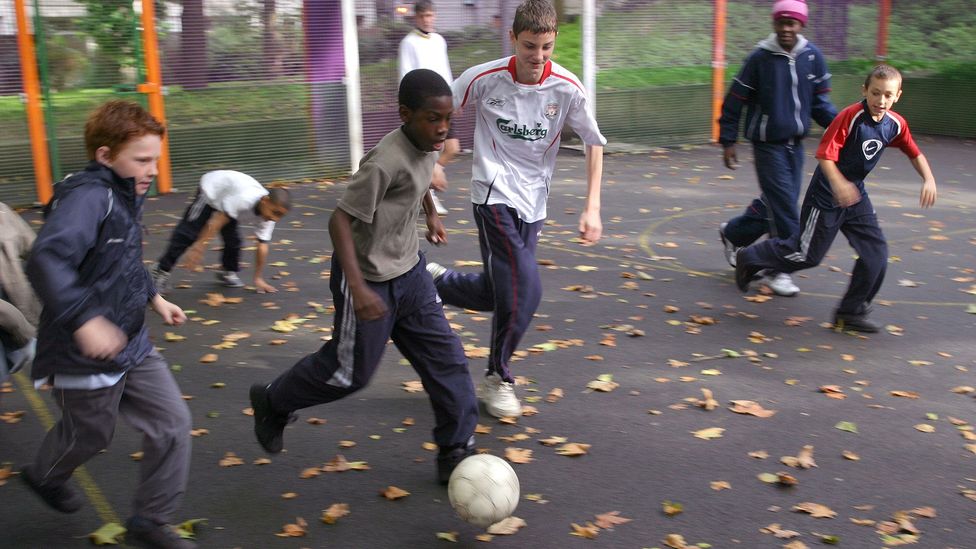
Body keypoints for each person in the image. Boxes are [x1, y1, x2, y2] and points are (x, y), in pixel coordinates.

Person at [249, 69, 479, 485]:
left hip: (410, 270)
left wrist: (428, 215)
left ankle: (455, 450)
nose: (443, 128)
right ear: (405, 114)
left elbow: (421, 177)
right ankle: (273, 400)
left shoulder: (429, 142)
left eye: (449, 119)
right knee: (349, 373)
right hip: (368, 276)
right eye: (433, 118)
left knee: (448, 360)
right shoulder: (383, 161)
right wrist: (357, 288)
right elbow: (338, 222)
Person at [22, 100, 195, 549]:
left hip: (130, 338)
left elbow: (122, 257)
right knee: (90, 434)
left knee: (173, 423)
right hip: (84, 347)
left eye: (156, 158)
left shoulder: (125, 191)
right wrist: (85, 320)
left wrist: (155, 298)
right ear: (104, 155)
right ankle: (45, 474)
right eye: (142, 159)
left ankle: (151, 520)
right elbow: (47, 257)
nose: (152, 168)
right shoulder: (89, 197)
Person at [426, 0, 606, 418]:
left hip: (533, 202)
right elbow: (438, 107)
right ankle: (498, 378)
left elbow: (593, 142)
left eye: (546, 47)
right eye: (529, 46)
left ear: (554, 40)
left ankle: (438, 282)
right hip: (491, 195)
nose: (537, 57)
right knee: (527, 288)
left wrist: (592, 206)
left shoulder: (566, 88)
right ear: (513, 39)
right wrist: (433, 160)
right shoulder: (484, 78)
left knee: (501, 292)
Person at [735, 64, 937, 333]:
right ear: (865, 90)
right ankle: (750, 256)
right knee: (807, 255)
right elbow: (825, 155)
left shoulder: (895, 124)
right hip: (826, 194)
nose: (881, 101)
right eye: (875, 93)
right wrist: (838, 183)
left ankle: (849, 313)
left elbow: (914, 152)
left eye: (888, 95)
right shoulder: (850, 117)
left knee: (876, 255)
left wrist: (929, 178)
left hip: (855, 195)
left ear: (898, 95)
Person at [717, 0, 837, 297]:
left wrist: (844, 130)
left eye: (791, 23)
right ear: (774, 24)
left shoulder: (812, 57)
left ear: (801, 25)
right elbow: (735, 100)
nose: (785, 28)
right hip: (767, 145)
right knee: (786, 209)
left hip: (795, 145)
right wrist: (728, 140)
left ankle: (734, 233)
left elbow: (820, 105)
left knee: (776, 202)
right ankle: (778, 269)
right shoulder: (760, 58)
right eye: (781, 22)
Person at [149, 170, 291, 294]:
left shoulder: (268, 217)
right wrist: (199, 247)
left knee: (233, 242)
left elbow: (262, 246)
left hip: (229, 199)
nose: (275, 218)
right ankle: (160, 270)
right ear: (265, 200)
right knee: (187, 234)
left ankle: (226, 270)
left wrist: (258, 278)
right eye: (275, 213)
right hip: (212, 192)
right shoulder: (244, 200)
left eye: (280, 216)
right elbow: (217, 221)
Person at [398, 0, 455, 216]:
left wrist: (453, 99)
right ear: (416, 17)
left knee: (452, 148)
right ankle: (428, 197)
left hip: (443, 105)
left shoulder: (439, 40)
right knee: (425, 153)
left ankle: (431, 174)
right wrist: (414, 107)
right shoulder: (409, 43)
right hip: (424, 109)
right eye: (423, 16)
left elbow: (446, 70)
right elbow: (405, 75)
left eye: (430, 15)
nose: (427, 19)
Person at [0, 201, 41, 393]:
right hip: (12, 320)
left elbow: (36, 250)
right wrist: (26, 332)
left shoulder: (3, 211)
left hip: (16, 319)